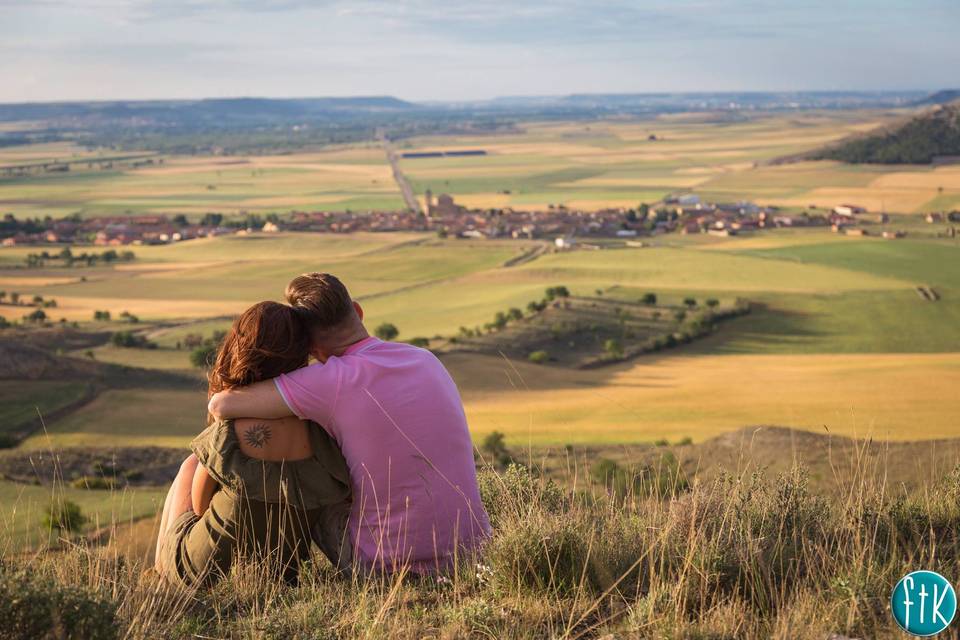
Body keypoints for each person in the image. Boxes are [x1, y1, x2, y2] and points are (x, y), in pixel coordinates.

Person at [208, 273, 491, 574]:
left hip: (384, 567)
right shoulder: (425, 360)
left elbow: (221, 405)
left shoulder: (330, 380)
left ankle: (268, 571)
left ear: (309, 346)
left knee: (308, 476)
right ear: (357, 311)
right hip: (474, 552)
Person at [155, 301, 351, 587]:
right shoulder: (321, 432)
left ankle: (162, 572)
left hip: (202, 572)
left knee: (191, 465)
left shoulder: (229, 431)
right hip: (282, 575)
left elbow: (199, 509)